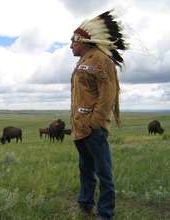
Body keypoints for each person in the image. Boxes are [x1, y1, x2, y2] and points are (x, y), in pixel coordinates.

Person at [70, 10, 129, 220]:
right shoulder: (85, 60)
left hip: (93, 129)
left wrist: (95, 122)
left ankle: (105, 213)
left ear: (82, 40)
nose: (70, 46)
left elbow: (108, 94)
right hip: (80, 129)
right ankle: (85, 204)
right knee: (85, 169)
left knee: (104, 173)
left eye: (72, 42)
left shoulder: (102, 60)